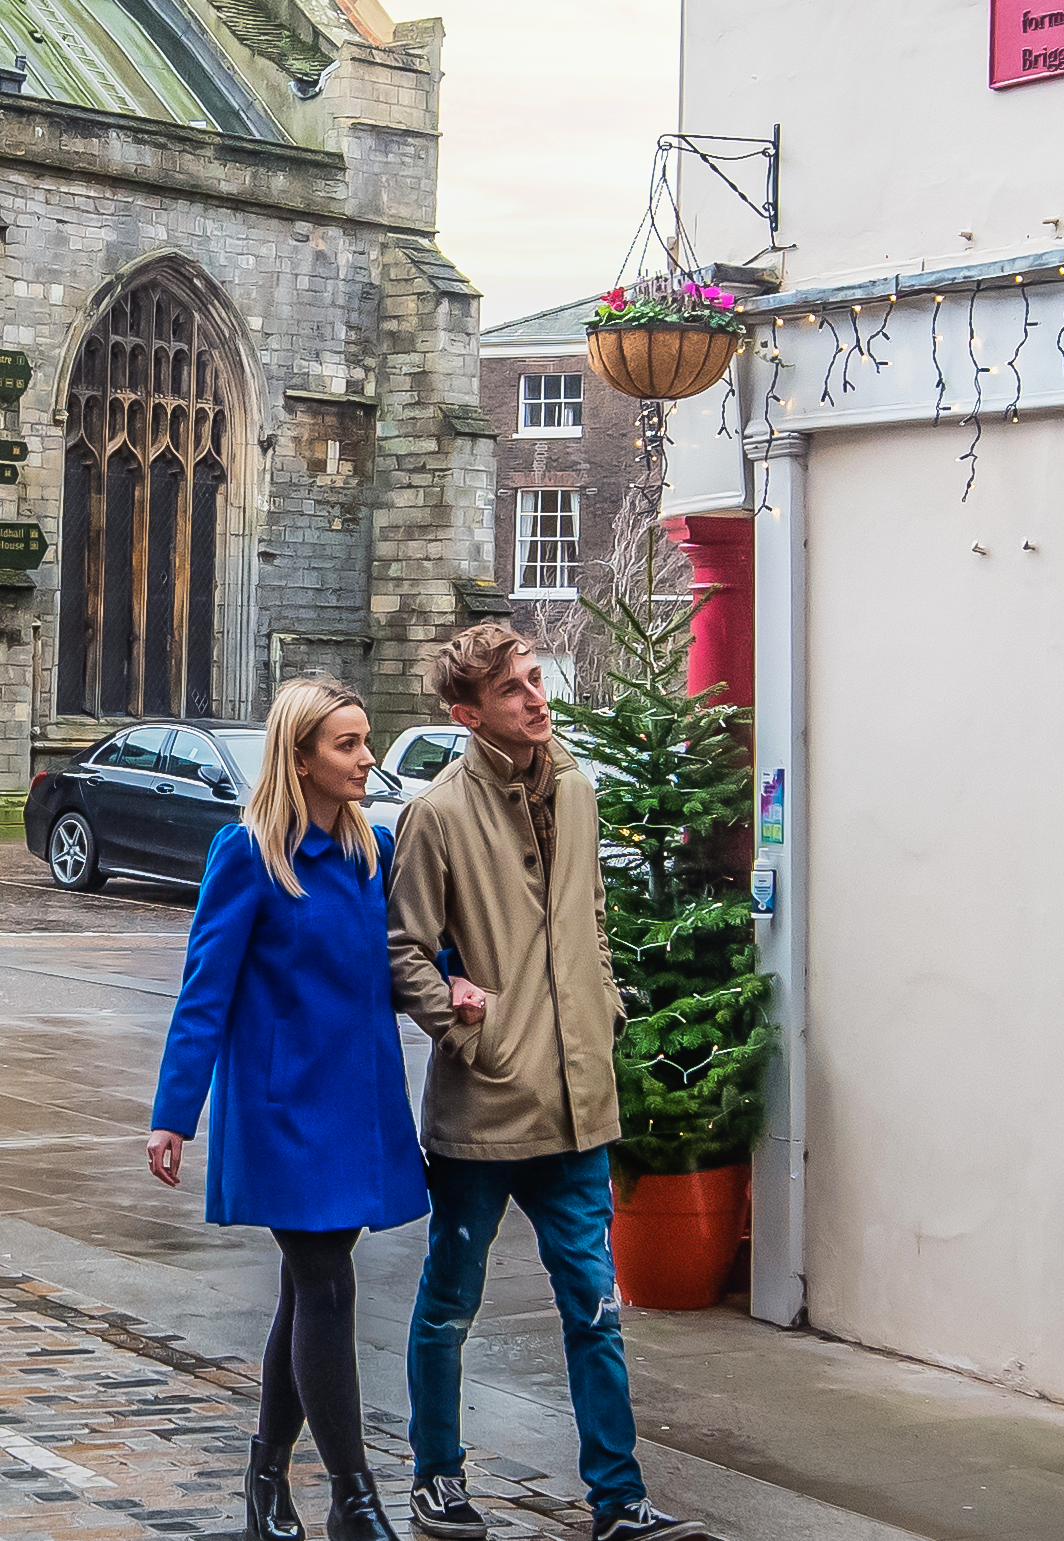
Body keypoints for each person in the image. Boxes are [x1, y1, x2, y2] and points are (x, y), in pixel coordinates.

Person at [382, 620, 709, 1541]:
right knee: (449, 1302)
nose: (536, 697)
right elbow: (401, 947)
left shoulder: (576, 785)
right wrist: (457, 1015)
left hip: (578, 1107)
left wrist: (602, 1006)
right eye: (515, 688)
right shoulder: (438, 812)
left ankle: (618, 1499)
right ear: (468, 712)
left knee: (596, 1310)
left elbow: (590, 920)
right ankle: (437, 1477)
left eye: (536, 678)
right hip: (484, 1108)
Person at [149, 677, 433, 1541]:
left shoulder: (369, 852)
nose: (366, 757)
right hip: (284, 1109)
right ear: (299, 754)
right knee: (326, 1286)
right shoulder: (247, 855)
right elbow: (205, 992)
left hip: (358, 1101)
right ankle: (355, 1498)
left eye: (365, 740)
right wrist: (174, 1111)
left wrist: (452, 979)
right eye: (348, 743)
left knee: (307, 1291)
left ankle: (265, 1484)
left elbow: (404, 955)